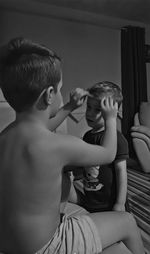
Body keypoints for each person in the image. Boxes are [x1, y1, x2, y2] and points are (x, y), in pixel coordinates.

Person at [0, 37, 144, 254]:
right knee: (127, 221)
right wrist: (112, 118)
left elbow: (43, 126)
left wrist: (68, 106)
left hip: (10, 242)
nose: (61, 91)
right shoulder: (58, 144)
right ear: (49, 95)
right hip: (48, 246)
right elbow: (107, 154)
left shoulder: (7, 135)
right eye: (59, 88)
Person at [70, 81, 130, 213]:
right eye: (89, 107)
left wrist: (120, 203)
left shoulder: (117, 139)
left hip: (110, 203)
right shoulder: (87, 136)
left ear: (112, 113)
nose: (90, 113)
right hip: (91, 198)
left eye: (98, 110)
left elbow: (121, 172)